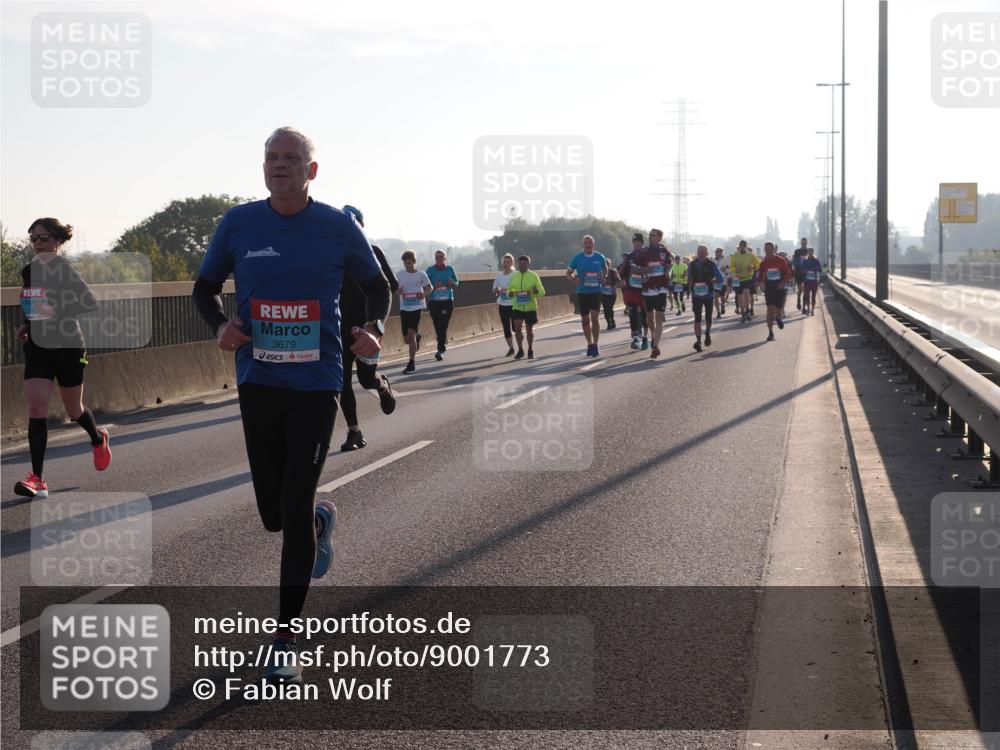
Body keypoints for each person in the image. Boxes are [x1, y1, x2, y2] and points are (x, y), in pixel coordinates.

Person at [192, 127, 390, 684]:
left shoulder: (337, 226)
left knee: (296, 497)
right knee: (275, 515)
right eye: (271, 158)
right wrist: (220, 325)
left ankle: (285, 638)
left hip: (317, 380)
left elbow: (378, 287)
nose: (279, 165)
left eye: (290, 158)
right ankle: (320, 522)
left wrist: (373, 328)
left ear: (311, 170)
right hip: (258, 377)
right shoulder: (238, 223)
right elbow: (203, 288)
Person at [13, 218, 112, 499]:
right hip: (38, 347)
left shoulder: (65, 269)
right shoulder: (29, 271)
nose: (38, 243)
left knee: (74, 410)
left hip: (68, 346)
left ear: (57, 241)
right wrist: (27, 323)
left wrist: (54, 310)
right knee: (37, 407)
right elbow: (32, 302)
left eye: (44, 238)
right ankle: (37, 479)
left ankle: (98, 438)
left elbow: (88, 303)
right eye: (34, 238)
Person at [337, 205, 398, 452]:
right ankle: (354, 431)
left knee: (365, 380)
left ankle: (381, 385)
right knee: (341, 382)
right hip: (340, 327)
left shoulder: (373, 252)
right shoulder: (331, 253)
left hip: (367, 329)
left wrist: (375, 323)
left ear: (360, 227)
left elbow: (391, 287)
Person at [566, 235, 607, 357]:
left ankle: (595, 344)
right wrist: (574, 280)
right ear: (583, 244)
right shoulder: (577, 258)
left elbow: (605, 268)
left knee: (595, 319)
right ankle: (589, 344)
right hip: (582, 292)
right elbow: (568, 273)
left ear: (593, 244)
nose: (588, 245)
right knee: (585, 320)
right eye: (586, 243)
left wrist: (604, 277)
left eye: (590, 243)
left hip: (596, 291)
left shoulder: (599, 257)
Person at [636, 228, 672, 359]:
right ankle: (653, 335)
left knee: (659, 317)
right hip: (648, 289)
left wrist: (667, 270)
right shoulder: (644, 252)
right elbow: (635, 267)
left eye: (653, 235)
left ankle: (655, 346)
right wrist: (644, 270)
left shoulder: (664, 251)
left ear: (659, 238)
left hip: (661, 288)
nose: (650, 237)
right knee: (649, 317)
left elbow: (670, 263)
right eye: (650, 235)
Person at [396, 250, 432, 374]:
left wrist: (424, 294)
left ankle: (411, 363)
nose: (407, 265)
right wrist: (399, 291)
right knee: (407, 340)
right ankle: (417, 337)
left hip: (417, 307)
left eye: (409, 263)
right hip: (404, 307)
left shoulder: (421, 274)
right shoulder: (399, 274)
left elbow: (430, 288)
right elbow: (395, 289)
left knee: (410, 334)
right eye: (405, 263)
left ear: (414, 262)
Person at [687, 244, 726, 352]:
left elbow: (720, 278)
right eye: (699, 252)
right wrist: (689, 287)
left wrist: (713, 281)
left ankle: (707, 332)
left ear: (707, 253)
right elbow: (689, 278)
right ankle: (698, 341)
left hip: (708, 295)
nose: (701, 254)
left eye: (703, 253)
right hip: (696, 295)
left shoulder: (712, 265)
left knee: (708, 317)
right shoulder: (692, 264)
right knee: (697, 318)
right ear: (697, 252)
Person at [507, 255, 546, 359]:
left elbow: (542, 292)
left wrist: (536, 291)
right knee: (517, 328)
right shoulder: (514, 276)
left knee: (529, 331)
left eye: (524, 264)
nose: (522, 266)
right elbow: (509, 289)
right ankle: (520, 350)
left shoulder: (534, 276)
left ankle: (530, 349)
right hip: (517, 306)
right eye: (520, 264)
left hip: (530, 307)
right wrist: (510, 293)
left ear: (528, 264)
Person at [426, 249, 459, 361]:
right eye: (437, 257)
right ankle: (442, 339)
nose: (439, 258)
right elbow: (425, 285)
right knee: (437, 325)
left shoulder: (450, 269)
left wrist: (452, 283)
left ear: (445, 258)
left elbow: (457, 282)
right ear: (435, 258)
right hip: (434, 301)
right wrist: (434, 286)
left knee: (443, 325)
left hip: (447, 301)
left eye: (441, 257)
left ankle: (440, 350)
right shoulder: (430, 270)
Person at [758, 241, 793, 341]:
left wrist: (782, 283)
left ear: (773, 249)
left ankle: (778, 317)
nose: (767, 250)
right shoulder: (763, 263)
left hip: (779, 288)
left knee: (778, 309)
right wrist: (760, 283)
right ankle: (770, 333)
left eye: (769, 248)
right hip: (769, 288)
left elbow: (788, 273)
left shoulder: (780, 260)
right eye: (766, 248)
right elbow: (760, 275)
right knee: (770, 310)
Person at [619, 232, 649, 350]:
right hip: (631, 289)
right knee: (632, 313)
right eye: (634, 242)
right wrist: (622, 279)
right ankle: (635, 338)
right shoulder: (629, 256)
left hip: (645, 289)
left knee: (645, 314)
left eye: (638, 242)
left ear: (642, 242)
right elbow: (622, 271)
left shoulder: (647, 254)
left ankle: (645, 337)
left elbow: (652, 269)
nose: (636, 244)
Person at [730, 240, 760, 323]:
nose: (742, 247)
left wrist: (753, 267)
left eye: (744, 246)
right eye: (741, 246)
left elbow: (758, 264)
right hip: (738, 279)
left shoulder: (751, 255)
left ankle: (747, 311)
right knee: (740, 297)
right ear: (739, 246)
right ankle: (743, 314)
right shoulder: (735, 256)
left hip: (748, 278)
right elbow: (731, 268)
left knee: (746, 294)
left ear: (746, 247)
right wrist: (735, 269)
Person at [493, 253, 516, 356]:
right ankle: (511, 348)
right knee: (506, 327)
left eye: (507, 262)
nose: (505, 264)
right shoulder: (499, 276)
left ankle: (519, 344)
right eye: (504, 262)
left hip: (514, 304)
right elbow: (494, 288)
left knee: (515, 328)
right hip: (502, 305)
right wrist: (497, 290)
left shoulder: (516, 274)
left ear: (512, 263)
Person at [801, 246, 822, 315]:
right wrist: (806, 270)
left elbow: (820, 270)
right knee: (807, 296)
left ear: (813, 252)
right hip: (807, 281)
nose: (810, 253)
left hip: (814, 281)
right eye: (809, 251)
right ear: (807, 252)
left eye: (811, 251)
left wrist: (815, 269)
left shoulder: (817, 261)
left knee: (813, 297)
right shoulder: (805, 261)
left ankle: (812, 310)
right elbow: (802, 270)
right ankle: (808, 309)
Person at [601, 257, 621, 330]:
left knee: (609, 307)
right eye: (605, 264)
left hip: (612, 293)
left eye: (608, 264)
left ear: (610, 264)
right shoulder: (600, 272)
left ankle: (612, 320)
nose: (607, 265)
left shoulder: (613, 271)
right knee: (605, 308)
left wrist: (615, 286)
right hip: (603, 292)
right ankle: (608, 323)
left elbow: (619, 280)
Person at [792, 238, 810, 310]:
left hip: (807, 273)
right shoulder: (797, 251)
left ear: (807, 243)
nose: (804, 243)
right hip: (799, 273)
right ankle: (799, 299)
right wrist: (794, 272)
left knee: (806, 290)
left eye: (805, 242)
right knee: (800, 290)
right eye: (803, 242)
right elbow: (794, 262)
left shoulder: (809, 251)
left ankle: (804, 307)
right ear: (801, 243)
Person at [713, 247, 729, 318]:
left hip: (723, 281)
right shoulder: (713, 261)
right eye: (715, 252)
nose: (716, 253)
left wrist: (726, 270)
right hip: (716, 281)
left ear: (721, 252)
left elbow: (731, 269)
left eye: (717, 252)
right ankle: (718, 312)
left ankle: (723, 305)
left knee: (722, 296)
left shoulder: (726, 259)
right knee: (716, 296)